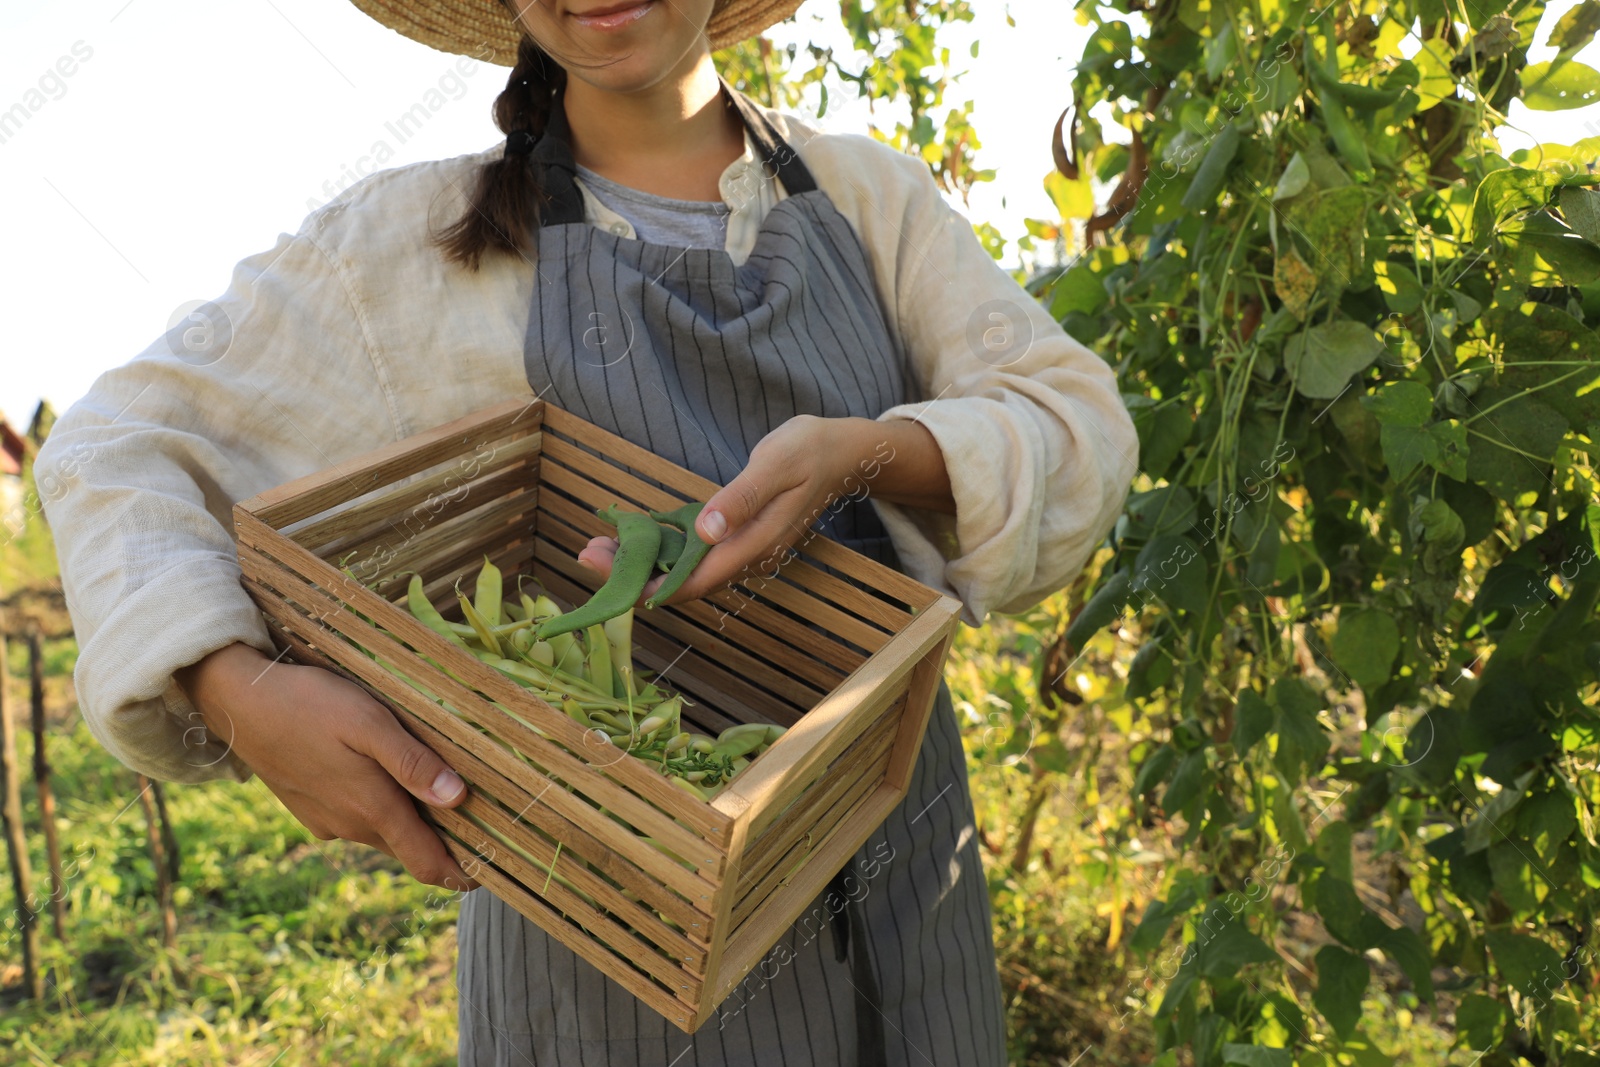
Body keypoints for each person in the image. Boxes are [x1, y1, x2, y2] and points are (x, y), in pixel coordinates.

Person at [36, 0, 1139, 1062]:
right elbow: (112, 448)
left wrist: (867, 452)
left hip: (898, 856)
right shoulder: (407, 244)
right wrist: (242, 691)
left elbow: (1073, 422)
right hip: (601, 916)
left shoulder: (868, 194)